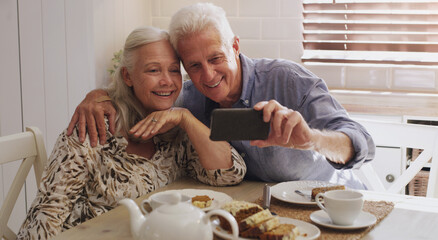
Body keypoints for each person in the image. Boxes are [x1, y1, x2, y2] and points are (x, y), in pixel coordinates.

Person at [67, 3, 375, 189]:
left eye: (216, 59)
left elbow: (362, 144)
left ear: (236, 46)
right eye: (194, 66)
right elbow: (136, 98)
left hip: (328, 206)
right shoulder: (186, 100)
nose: (209, 76)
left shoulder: (289, 81)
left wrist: (313, 141)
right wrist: (97, 96)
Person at [17, 26, 246, 239]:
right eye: (153, 70)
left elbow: (230, 174)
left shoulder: (176, 129)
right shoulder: (93, 126)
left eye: (174, 70)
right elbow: (44, 220)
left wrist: (185, 117)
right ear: (128, 76)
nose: (166, 81)